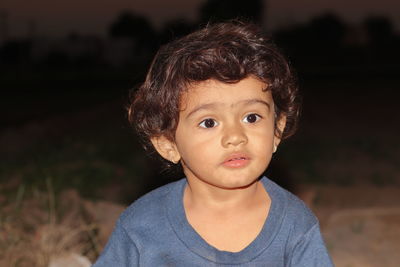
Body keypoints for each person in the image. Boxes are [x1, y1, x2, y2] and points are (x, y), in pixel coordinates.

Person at [93, 20, 333, 266]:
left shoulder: (295, 224)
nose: (235, 136)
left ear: (276, 130)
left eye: (251, 117)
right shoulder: (142, 226)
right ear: (168, 144)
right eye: (209, 122)